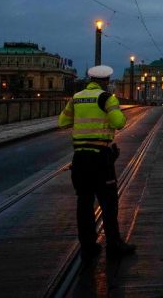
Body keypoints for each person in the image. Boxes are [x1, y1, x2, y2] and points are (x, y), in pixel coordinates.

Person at [58, 65, 136, 260]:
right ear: (107, 81)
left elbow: (63, 122)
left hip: (80, 158)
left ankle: (88, 245)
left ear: (89, 78)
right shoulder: (107, 98)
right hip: (101, 157)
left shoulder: (76, 98)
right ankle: (114, 243)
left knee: (83, 202)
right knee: (108, 203)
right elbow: (119, 123)